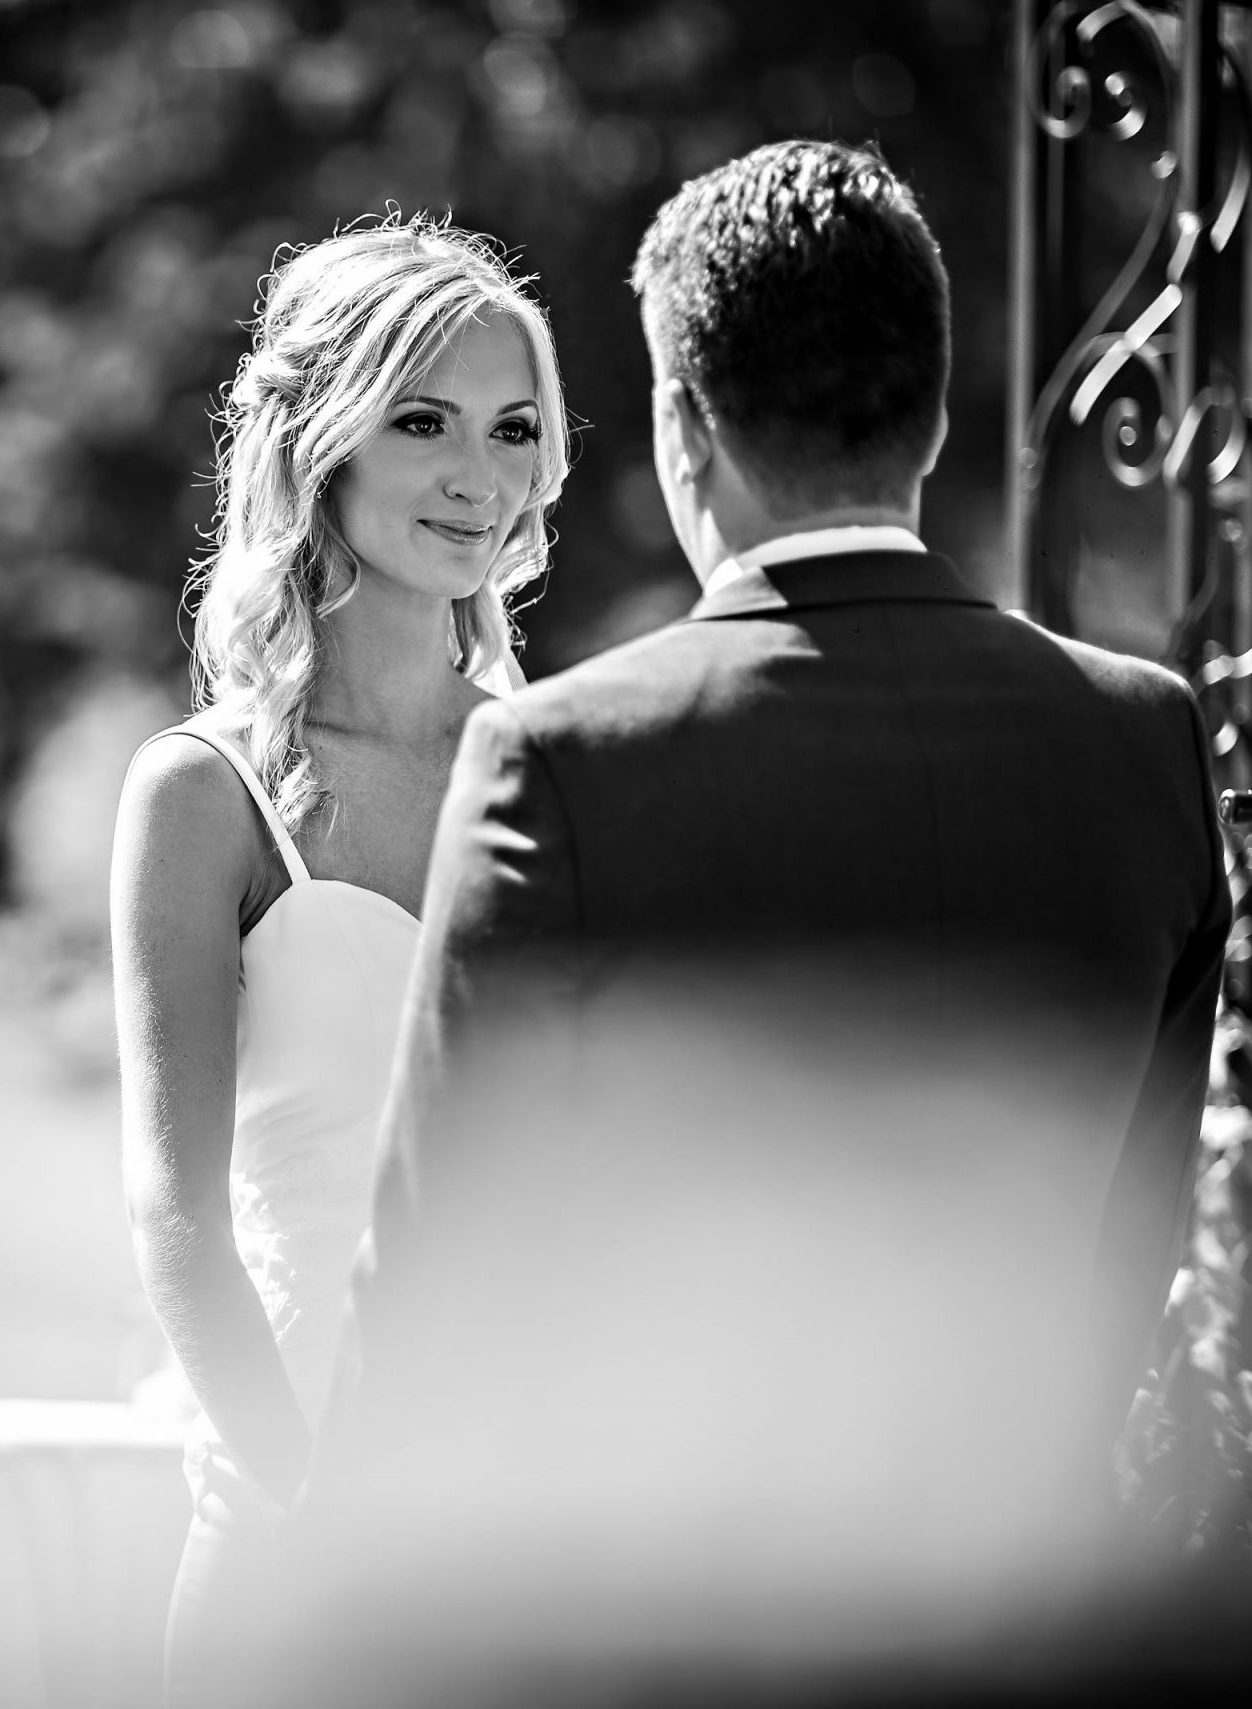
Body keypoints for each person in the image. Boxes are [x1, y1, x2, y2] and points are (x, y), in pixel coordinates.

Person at [294, 141, 1234, 1704]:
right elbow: (1131, 1250)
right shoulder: (1141, 741)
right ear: (935, 416)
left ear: (680, 428)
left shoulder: (566, 758)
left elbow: (446, 1282)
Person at [108, 215, 568, 1704]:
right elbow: (176, 1219)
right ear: (324, 441)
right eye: (423, 420)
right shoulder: (203, 793)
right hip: (295, 1510)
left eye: (512, 430)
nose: (476, 477)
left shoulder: (565, 768)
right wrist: (314, 1504)